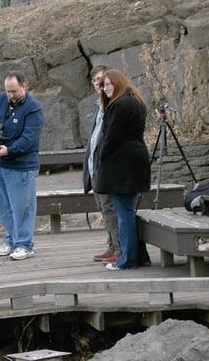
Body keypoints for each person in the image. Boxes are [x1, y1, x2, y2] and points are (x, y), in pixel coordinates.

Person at [0, 71, 44, 261]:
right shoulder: (1, 100)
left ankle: (24, 244)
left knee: (22, 207)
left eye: (14, 91)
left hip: (20, 165)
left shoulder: (33, 109)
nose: (10, 95)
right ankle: (11, 240)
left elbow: (29, 138)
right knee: (3, 206)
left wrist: (10, 149)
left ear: (24, 86)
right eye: (8, 91)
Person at [93, 69, 151, 271]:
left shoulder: (118, 105)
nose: (105, 88)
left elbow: (111, 138)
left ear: (118, 83)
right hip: (135, 160)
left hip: (121, 166)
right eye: (103, 85)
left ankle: (127, 259)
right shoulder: (135, 100)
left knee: (124, 212)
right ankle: (139, 256)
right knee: (128, 210)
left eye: (109, 84)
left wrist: (100, 156)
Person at [82, 65, 120, 264]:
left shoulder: (115, 104)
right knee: (103, 209)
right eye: (95, 81)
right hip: (94, 167)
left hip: (107, 168)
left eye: (102, 80)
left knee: (111, 209)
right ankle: (111, 246)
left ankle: (119, 249)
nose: (99, 84)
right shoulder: (98, 105)